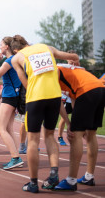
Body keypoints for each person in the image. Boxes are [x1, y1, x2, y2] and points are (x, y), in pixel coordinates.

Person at [11, 35, 79, 193]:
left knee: (33, 140)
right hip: (55, 97)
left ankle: (33, 183)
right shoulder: (47, 48)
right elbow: (73, 57)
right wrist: (75, 64)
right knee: (49, 135)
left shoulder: (17, 58)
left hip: (36, 98)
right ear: (27, 43)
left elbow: (26, 84)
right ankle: (54, 174)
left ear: (15, 50)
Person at [54, 63, 105, 191]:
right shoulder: (63, 69)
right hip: (100, 88)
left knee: (74, 136)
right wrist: (78, 121)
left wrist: (70, 124)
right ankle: (89, 176)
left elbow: (58, 102)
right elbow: (73, 97)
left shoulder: (53, 72)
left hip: (87, 91)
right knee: (90, 134)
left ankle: (71, 180)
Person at [0, 36, 24, 169]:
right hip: (11, 96)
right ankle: (17, 157)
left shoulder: (8, 62)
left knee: (0, 129)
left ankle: (15, 158)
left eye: (1, 44)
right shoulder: (15, 60)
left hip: (10, 97)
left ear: (7, 47)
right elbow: (7, 83)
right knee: (9, 129)